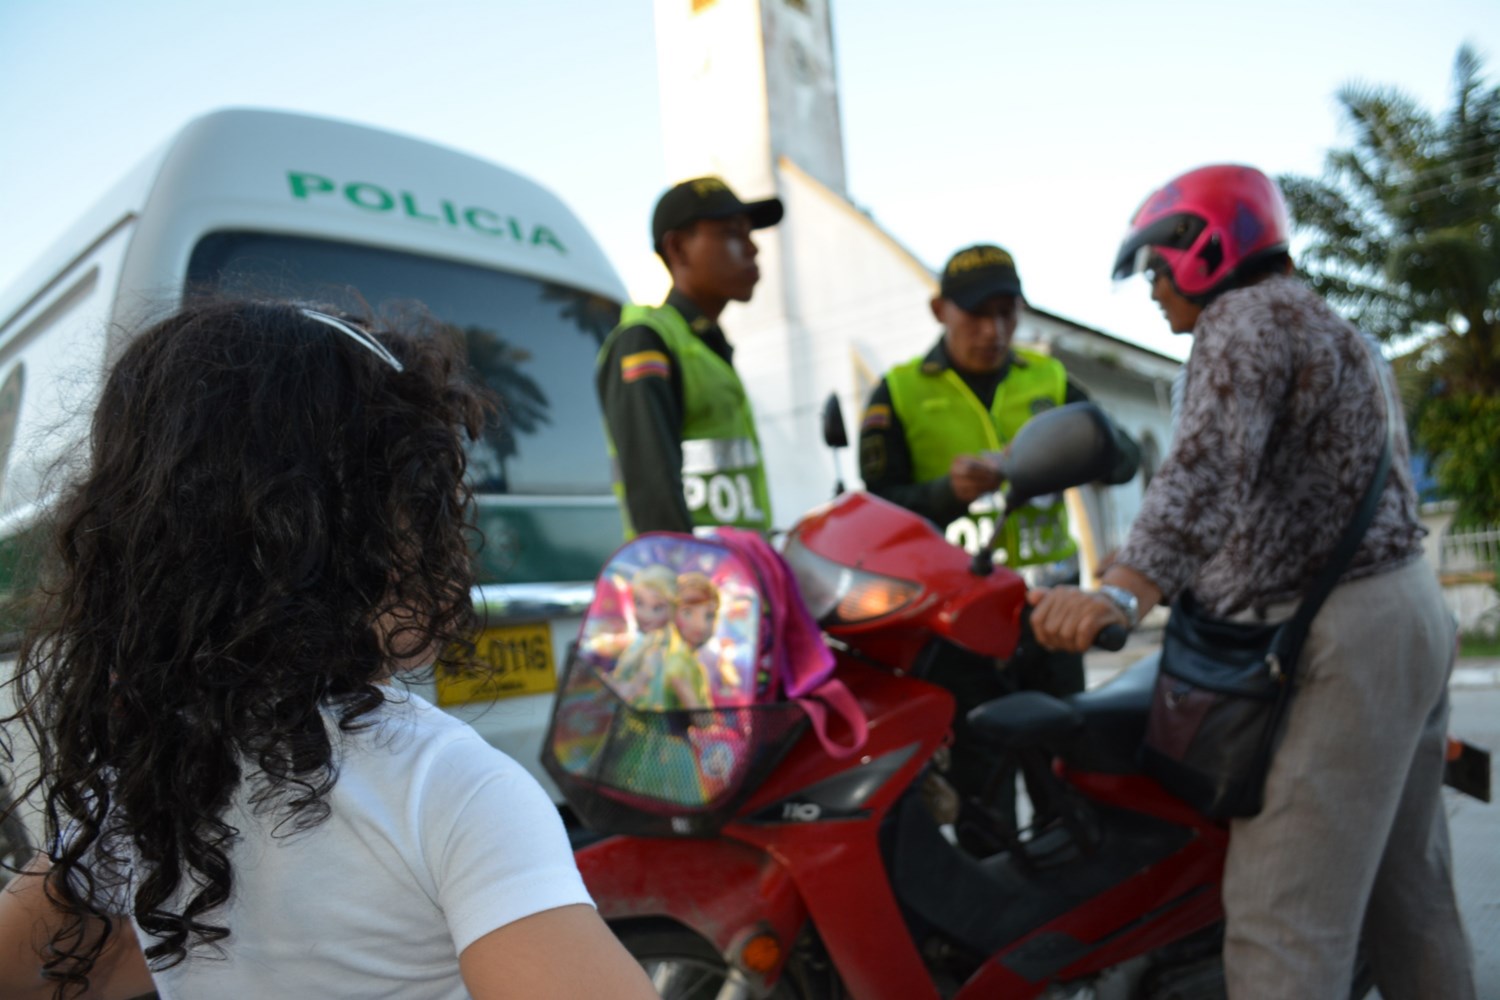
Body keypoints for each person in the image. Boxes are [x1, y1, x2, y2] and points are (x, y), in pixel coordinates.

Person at [0, 301, 658, 1000]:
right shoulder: (451, 789)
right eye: (431, 493)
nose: (458, 525)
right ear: (344, 534)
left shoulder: (148, 776)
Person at [1028, 164, 1476, 998]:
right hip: (1405, 613)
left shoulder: (1243, 320)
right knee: (1407, 896)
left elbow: (1202, 473)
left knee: (1281, 923)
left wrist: (1121, 591)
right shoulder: (1334, 329)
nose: (1155, 292)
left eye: (1157, 269)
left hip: (1337, 636)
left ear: (1204, 247)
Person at [858, 243, 1137, 841]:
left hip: (1051, 618)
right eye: (978, 315)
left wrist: (1084, 454)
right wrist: (943, 492)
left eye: (1007, 314)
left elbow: (1124, 459)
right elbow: (876, 509)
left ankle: (1076, 905)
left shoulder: (1051, 379)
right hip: (963, 629)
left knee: (1067, 771)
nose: (995, 331)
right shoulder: (900, 392)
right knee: (981, 785)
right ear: (940, 311)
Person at [596, 176, 783, 538]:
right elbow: (652, 490)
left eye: (750, 234)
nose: (752, 248)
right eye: (732, 233)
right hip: (692, 583)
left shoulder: (705, 344)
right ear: (678, 249)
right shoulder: (646, 340)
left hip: (733, 578)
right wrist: (684, 577)